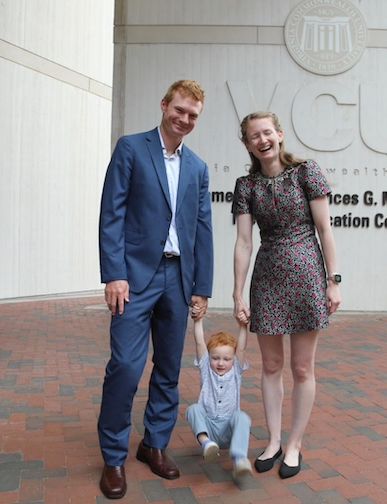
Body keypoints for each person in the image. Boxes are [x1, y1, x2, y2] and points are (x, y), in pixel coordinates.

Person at [97, 79, 214, 499]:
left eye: (193, 115)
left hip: (179, 280)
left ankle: (154, 444)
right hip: (133, 278)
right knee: (126, 366)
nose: (184, 119)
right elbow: (112, 213)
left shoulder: (198, 167)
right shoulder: (131, 148)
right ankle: (113, 457)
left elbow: (202, 229)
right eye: (179, 110)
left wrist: (202, 286)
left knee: (168, 369)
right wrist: (113, 273)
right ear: (164, 105)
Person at [231, 111, 341, 479]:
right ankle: (274, 441)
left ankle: (294, 444)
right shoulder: (246, 186)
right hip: (267, 279)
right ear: (247, 144)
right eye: (253, 136)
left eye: (267, 132)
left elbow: (325, 230)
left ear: (279, 134)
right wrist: (237, 292)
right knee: (272, 366)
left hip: (308, 275)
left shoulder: (307, 172)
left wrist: (333, 280)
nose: (262, 140)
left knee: (301, 367)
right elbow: (244, 242)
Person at [185, 317, 252, 480]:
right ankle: (206, 444)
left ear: (233, 359)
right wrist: (198, 320)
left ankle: (239, 459)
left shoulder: (236, 370)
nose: (221, 363)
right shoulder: (206, 369)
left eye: (226, 359)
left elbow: (241, 349)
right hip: (209, 427)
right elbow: (200, 342)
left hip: (229, 429)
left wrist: (243, 326)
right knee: (193, 409)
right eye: (215, 358)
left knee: (242, 417)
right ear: (209, 358)